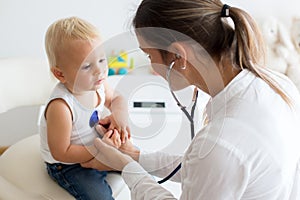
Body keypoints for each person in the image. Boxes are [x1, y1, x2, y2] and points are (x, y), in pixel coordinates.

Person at [82, 0, 300, 199]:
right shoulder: (279, 84)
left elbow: (211, 160)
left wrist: (127, 167)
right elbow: (202, 169)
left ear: (178, 55)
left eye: (150, 56)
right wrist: (134, 155)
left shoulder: (221, 143)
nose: (151, 66)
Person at [40, 16, 130, 200]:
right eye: (87, 66)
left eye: (102, 60)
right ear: (60, 74)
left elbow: (117, 99)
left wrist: (119, 116)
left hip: (97, 146)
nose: (99, 71)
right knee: (100, 197)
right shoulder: (61, 106)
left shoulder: (98, 84)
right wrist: (99, 149)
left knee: (138, 167)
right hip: (68, 164)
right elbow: (61, 152)